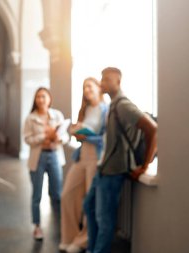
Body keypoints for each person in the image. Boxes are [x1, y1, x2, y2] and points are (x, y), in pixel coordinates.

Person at [83, 67, 157, 253]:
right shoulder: (113, 105)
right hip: (104, 168)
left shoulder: (123, 105)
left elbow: (152, 129)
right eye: (102, 79)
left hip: (113, 172)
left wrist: (145, 165)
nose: (102, 82)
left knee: (104, 220)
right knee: (89, 207)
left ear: (118, 81)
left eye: (107, 79)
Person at [59, 78, 108, 253]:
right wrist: (76, 132)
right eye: (84, 87)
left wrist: (87, 136)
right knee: (67, 194)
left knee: (90, 201)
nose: (86, 89)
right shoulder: (85, 109)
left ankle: (82, 242)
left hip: (96, 156)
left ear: (98, 88)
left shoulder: (106, 109)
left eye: (90, 86)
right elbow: (82, 134)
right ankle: (69, 238)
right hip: (82, 155)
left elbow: (106, 137)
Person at [23, 87, 69, 240]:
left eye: (44, 96)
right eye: (38, 97)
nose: (41, 100)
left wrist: (57, 138)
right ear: (35, 100)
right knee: (36, 195)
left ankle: (60, 224)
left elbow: (66, 137)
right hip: (38, 157)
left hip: (54, 155)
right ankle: (37, 226)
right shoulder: (31, 118)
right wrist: (44, 136)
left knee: (56, 193)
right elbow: (27, 139)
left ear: (49, 98)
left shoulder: (57, 115)